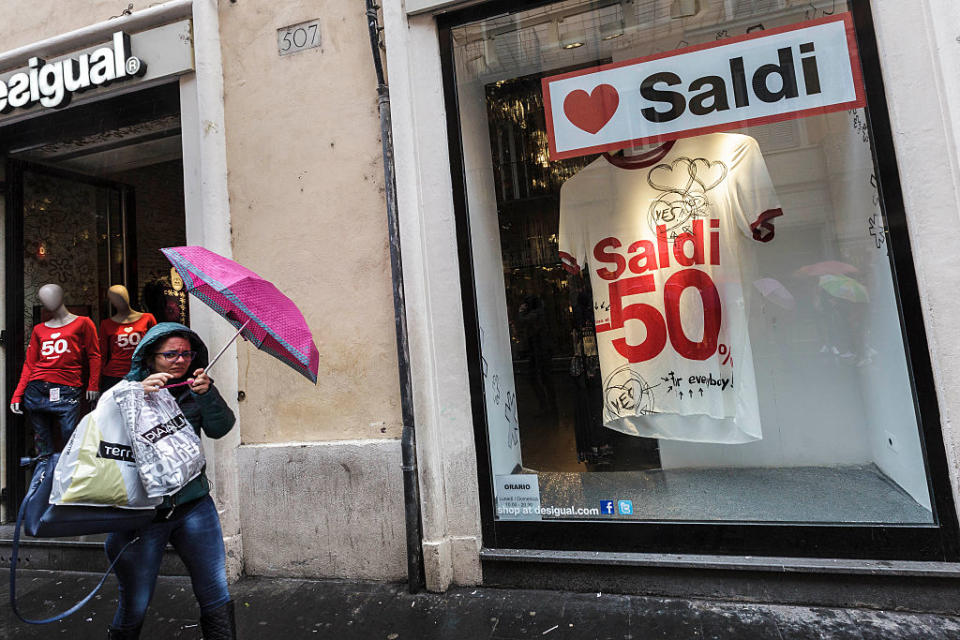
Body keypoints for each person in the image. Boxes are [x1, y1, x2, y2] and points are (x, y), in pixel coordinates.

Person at [104, 322, 237, 639]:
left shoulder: (196, 388)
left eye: (186, 354)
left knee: (215, 592)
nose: (180, 360)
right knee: (135, 602)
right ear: (150, 358)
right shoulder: (126, 391)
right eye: (171, 354)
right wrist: (137, 396)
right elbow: (103, 437)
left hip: (194, 506)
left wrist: (207, 395)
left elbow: (221, 428)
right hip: (141, 516)